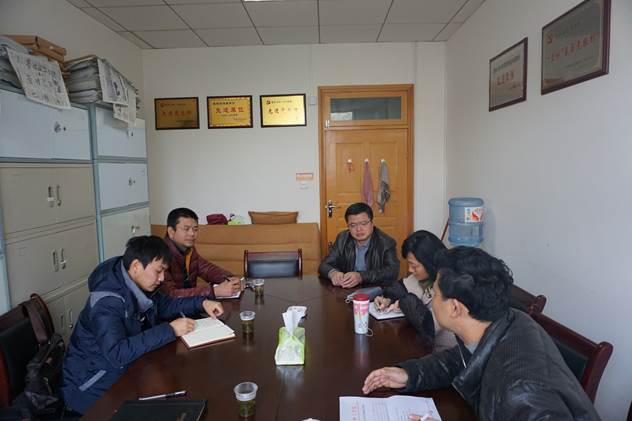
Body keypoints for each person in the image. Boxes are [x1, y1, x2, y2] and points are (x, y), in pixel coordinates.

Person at [363, 247, 600, 421]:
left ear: (455, 308)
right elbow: (461, 359)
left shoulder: (520, 393)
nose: (432, 300)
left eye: (435, 294)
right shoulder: (509, 319)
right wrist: (409, 374)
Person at [61, 236, 224, 414]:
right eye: (158, 271)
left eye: (164, 271)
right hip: (93, 386)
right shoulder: (107, 302)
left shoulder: (140, 284)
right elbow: (116, 353)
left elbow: (166, 306)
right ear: (136, 266)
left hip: (126, 371)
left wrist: (201, 303)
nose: (162, 278)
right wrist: (170, 329)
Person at [374, 230, 455, 347]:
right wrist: (386, 299)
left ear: (429, 263)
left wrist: (403, 302)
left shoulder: (450, 283)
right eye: (409, 264)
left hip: (447, 351)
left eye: (414, 266)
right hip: (425, 346)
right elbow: (398, 288)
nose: (410, 270)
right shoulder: (424, 276)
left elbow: (428, 326)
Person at [163, 207, 241, 298]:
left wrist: (229, 278)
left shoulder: (189, 250)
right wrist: (213, 291)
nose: (192, 234)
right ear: (171, 232)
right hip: (175, 305)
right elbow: (170, 295)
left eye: (195, 229)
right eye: (186, 229)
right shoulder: (161, 255)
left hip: (190, 303)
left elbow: (207, 269)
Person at [318, 202, 399, 288]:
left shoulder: (386, 243)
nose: (359, 229)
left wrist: (361, 277)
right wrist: (333, 273)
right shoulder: (342, 239)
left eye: (363, 223)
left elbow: (392, 271)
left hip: (375, 289)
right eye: (353, 225)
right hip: (347, 289)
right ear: (348, 226)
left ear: (372, 223)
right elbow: (324, 265)